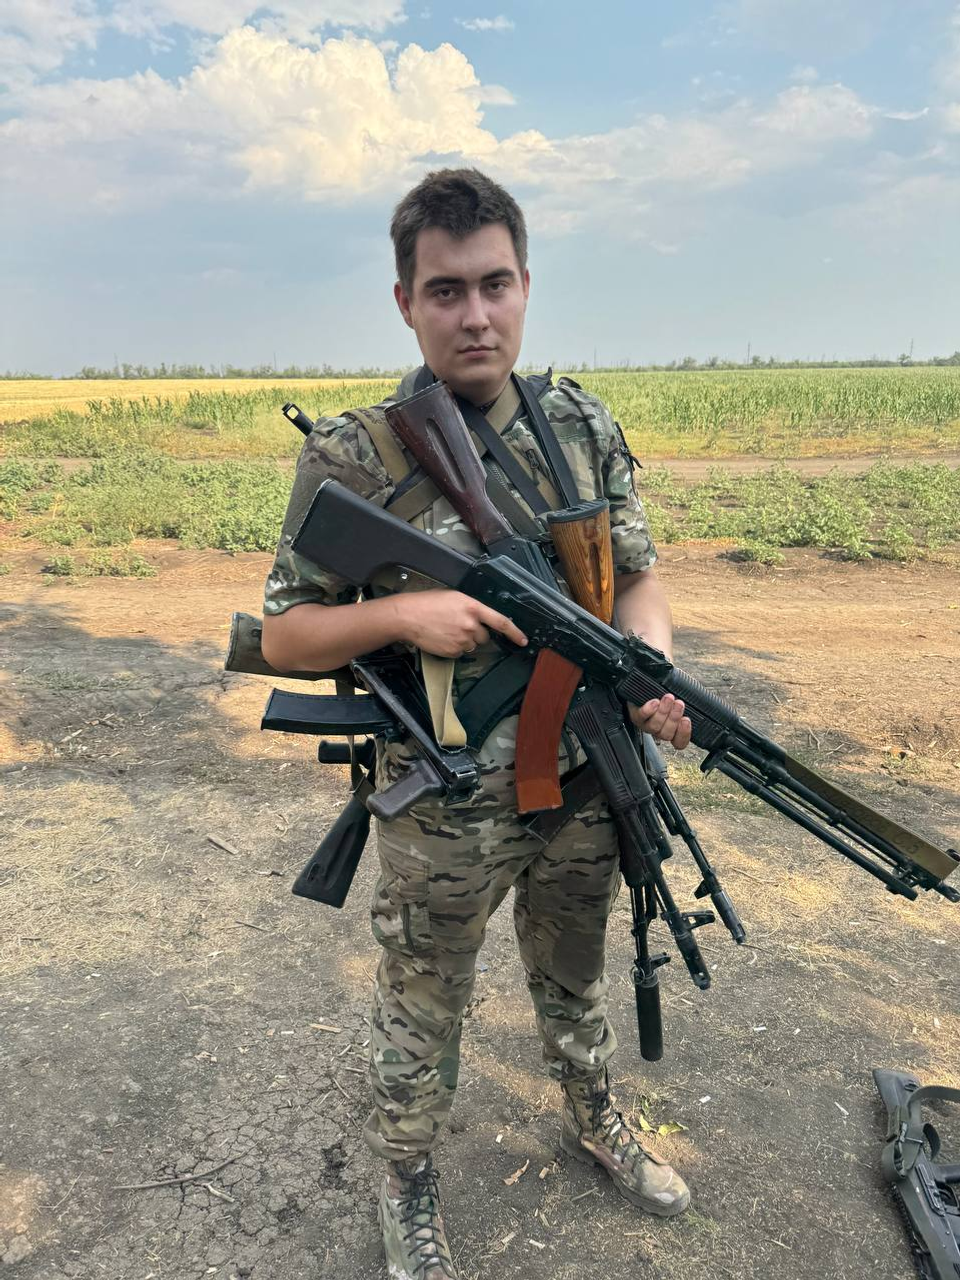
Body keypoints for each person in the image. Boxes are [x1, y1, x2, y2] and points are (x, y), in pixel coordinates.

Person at [262, 168, 693, 1280]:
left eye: (495, 284)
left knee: (576, 968)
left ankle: (593, 1114)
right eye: (446, 290)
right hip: (445, 804)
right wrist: (404, 614)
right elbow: (285, 637)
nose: (475, 315)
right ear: (405, 301)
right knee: (424, 995)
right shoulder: (358, 453)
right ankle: (406, 1178)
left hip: (587, 772)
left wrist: (650, 665)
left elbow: (639, 577)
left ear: (527, 286)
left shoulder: (578, 425)